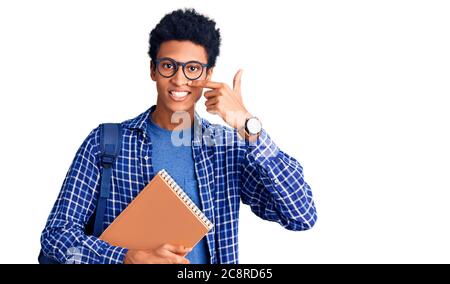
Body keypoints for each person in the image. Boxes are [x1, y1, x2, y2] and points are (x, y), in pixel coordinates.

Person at [40, 8, 317, 264]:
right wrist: (125, 257)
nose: (180, 80)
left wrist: (249, 126)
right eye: (168, 66)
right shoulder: (106, 143)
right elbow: (56, 236)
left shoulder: (227, 149)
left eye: (193, 68)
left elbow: (301, 215)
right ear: (153, 70)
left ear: (208, 74)